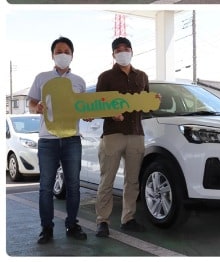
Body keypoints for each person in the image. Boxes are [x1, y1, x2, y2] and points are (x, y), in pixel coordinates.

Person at [27, 37, 89, 244]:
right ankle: (47, 228)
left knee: (73, 186)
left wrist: (88, 113)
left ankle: (72, 224)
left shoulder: (79, 81)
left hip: (72, 139)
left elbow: (83, 108)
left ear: (72, 55)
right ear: (53, 55)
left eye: (66, 51)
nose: (63, 54)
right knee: (45, 186)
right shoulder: (41, 78)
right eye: (59, 51)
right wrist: (36, 107)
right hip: (48, 140)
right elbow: (31, 102)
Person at [94, 37, 149, 237]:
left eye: (126, 49)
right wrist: (111, 113)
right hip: (112, 133)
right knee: (106, 180)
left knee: (132, 181)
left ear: (132, 51)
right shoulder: (106, 77)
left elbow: (145, 103)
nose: (123, 52)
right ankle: (102, 221)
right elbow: (97, 104)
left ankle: (128, 218)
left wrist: (154, 100)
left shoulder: (142, 76)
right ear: (113, 54)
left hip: (136, 133)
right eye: (118, 50)